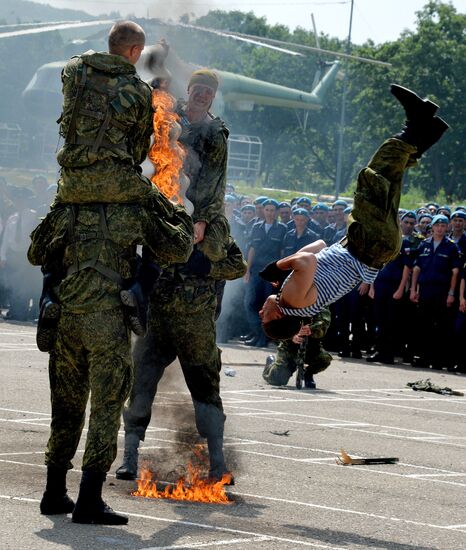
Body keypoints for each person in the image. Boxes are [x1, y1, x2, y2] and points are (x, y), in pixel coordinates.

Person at [28, 196, 193, 525]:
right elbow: (179, 247)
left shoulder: (68, 208)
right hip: (106, 318)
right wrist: (171, 207)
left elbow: (36, 253)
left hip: (66, 314)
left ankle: (54, 491)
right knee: (105, 409)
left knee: (66, 408)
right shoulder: (132, 209)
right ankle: (89, 498)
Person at [258, 84, 449, 340]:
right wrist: (278, 266)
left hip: (371, 246)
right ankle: (416, 125)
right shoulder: (291, 299)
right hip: (367, 244)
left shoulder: (295, 298)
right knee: (371, 179)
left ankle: (426, 132)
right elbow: (307, 261)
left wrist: (286, 270)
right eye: (265, 316)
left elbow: (318, 246)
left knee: (388, 179)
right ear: (279, 316)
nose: (262, 311)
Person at [115, 240, 246, 482]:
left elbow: (238, 266)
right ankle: (129, 460)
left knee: (206, 395)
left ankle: (218, 466)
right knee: (139, 389)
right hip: (156, 327)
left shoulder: (216, 238)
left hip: (196, 330)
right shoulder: (163, 230)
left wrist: (209, 267)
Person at [410, 214, 461, 369]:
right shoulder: (424, 245)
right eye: (437, 225)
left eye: (443, 226)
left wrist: (451, 293)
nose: (440, 228)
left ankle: (437, 359)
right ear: (432, 227)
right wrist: (413, 289)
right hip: (425, 289)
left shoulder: (451, 246)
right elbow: (417, 269)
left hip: (441, 291)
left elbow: (455, 272)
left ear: (447, 228)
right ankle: (424, 357)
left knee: (440, 326)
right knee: (423, 324)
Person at [243, 198, 287, 347]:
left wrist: (279, 274)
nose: (269, 213)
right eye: (267, 210)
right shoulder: (256, 227)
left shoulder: (282, 228)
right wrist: (247, 270)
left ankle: (263, 338)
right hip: (255, 271)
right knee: (249, 303)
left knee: (266, 306)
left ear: (276, 212)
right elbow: (252, 249)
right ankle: (257, 332)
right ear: (263, 211)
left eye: (272, 210)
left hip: (271, 273)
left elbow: (282, 253)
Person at [262, 308, 332, 389]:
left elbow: (324, 322)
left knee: (324, 359)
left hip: (311, 346)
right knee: (277, 380)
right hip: (288, 347)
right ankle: (270, 363)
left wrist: (311, 329)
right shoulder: (291, 300)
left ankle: (307, 374)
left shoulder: (320, 301)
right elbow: (278, 325)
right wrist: (291, 336)